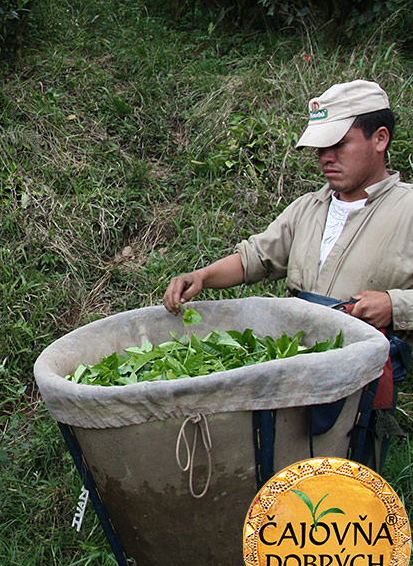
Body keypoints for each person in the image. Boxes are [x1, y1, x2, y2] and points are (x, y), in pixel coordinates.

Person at [164, 79, 410, 460]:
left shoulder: (407, 212)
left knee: (349, 481)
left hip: (359, 386)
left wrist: (394, 305)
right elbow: (255, 258)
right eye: (320, 148)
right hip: (294, 376)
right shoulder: (308, 208)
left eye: (339, 145)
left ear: (380, 139)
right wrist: (202, 277)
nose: (326, 157)